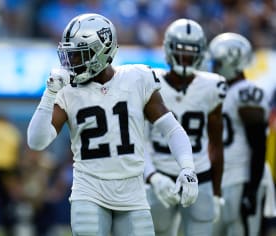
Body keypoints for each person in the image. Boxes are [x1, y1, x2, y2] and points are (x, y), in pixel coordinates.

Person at [27, 13, 199, 236]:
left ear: (102, 51)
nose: (72, 63)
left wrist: (187, 168)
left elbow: (171, 128)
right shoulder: (67, 90)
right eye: (70, 54)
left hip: (133, 193)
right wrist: (49, 94)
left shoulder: (137, 78)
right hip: (89, 192)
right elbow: (37, 141)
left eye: (80, 55)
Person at [144, 18, 226, 236]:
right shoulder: (150, 81)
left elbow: (216, 144)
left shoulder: (213, 86)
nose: (185, 56)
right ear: (168, 49)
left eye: (191, 51)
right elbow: (137, 139)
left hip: (200, 175)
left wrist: (217, 192)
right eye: (180, 50)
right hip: (160, 175)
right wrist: (151, 175)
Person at [208, 32, 273, 236]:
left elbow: (258, 143)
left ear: (231, 62)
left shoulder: (247, 91)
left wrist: (252, 188)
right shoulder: (222, 91)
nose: (214, 67)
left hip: (243, 177)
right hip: (224, 178)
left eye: (218, 63)